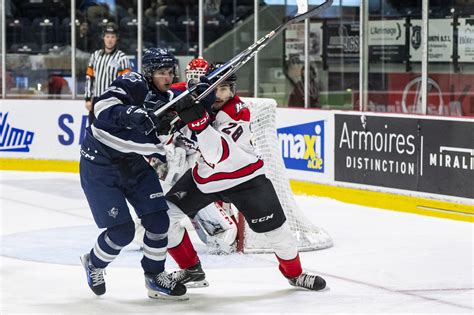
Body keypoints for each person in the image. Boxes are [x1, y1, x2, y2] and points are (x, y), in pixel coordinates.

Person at [161, 63, 327, 291]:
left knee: (278, 232)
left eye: (224, 89)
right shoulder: (199, 104)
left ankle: (295, 274)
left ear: (232, 90)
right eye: (213, 89)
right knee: (162, 217)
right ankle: (192, 271)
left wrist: (198, 122)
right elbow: (170, 100)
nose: (218, 94)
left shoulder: (237, 112)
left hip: (245, 179)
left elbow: (216, 153)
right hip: (206, 179)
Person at [79, 47, 213, 300]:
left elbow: (187, 125)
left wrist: (205, 97)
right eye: (161, 72)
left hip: (133, 164)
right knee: (122, 232)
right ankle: (94, 263)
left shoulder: (170, 100)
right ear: (149, 73)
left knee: (159, 221)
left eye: (170, 72)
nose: (168, 77)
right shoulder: (133, 83)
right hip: (100, 166)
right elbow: (101, 107)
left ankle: (154, 276)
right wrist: (130, 113)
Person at [84, 22, 131, 124]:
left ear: (116, 38)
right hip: (96, 99)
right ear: (103, 37)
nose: (110, 39)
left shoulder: (122, 58)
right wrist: (88, 98)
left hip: (113, 101)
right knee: (92, 130)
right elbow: (90, 77)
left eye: (112, 37)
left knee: (110, 132)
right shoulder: (95, 55)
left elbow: (126, 83)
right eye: (107, 36)